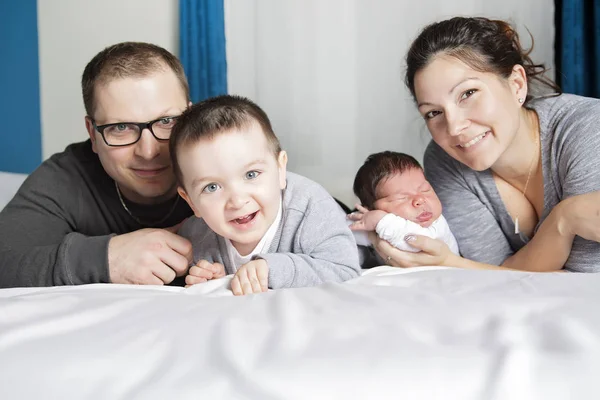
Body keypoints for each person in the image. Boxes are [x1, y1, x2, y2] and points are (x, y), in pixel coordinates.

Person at [370, 16, 600, 273]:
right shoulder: (445, 160)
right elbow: (492, 276)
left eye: (468, 94)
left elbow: (587, 279)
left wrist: (462, 266)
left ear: (516, 84)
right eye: (434, 113)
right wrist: (564, 220)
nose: (454, 128)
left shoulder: (589, 129)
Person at [0, 42, 195, 288]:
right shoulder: (66, 177)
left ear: (191, 116)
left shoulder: (232, 156)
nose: (148, 152)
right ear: (92, 134)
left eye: (167, 121)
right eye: (121, 128)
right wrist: (108, 258)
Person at [170, 95, 361, 295]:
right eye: (211, 187)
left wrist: (272, 269)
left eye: (251, 175)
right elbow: (191, 275)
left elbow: (345, 269)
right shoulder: (196, 235)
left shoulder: (311, 207)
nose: (237, 200)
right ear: (191, 202)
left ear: (280, 169)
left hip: (350, 223)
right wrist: (209, 278)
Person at [348, 151, 459, 256]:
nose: (420, 200)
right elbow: (343, 234)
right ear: (371, 210)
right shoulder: (380, 224)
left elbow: (417, 244)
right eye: (401, 198)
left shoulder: (437, 225)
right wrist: (362, 222)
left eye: (426, 190)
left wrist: (380, 221)